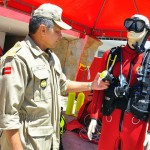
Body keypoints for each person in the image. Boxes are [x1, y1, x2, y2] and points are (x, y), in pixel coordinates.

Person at [0, 3, 109, 150]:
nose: (61, 35)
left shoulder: (51, 58)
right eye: (57, 30)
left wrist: (91, 85)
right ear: (43, 30)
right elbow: (8, 115)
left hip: (49, 140)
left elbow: (62, 84)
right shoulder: (18, 59)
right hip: (26, 144)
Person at [87, 14, 150, 150]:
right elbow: (99, 87)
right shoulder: (111, 55)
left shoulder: (148, 60)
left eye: (138, 25)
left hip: (136, 122)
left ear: (146, 31)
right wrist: (94, 116)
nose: (132, 28)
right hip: (111, 117)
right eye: (129, 23)